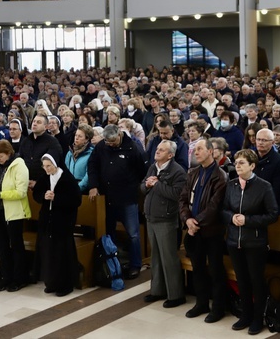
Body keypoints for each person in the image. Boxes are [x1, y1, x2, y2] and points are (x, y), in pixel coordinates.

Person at [222, 149, 278, 335]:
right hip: (233, 240)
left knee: (256, 280)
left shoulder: (264, 186)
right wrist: (232, 218)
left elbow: (272, 215)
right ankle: (245, 315)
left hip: (254, 242)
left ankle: (257, 318)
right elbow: (223, 210)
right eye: (236, 163)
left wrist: (248, 220)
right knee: (242, 280)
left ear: (252, 166)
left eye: (241, 163)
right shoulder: (231, 185)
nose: (237, 166)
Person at [87, 124, 146, 279]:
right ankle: (115, 262)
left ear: (119, 134)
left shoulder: (132, 148)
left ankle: (135, 265)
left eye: (112, 141)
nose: (110, 144)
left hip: (127, 198)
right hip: (107, 197)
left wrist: (131, 186)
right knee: (109, 231)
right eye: (107, 141)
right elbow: (92, 165)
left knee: (133, 233)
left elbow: (141, 171)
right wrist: (93, 185)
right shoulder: (101, 146)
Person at [179, 138, 228, 323]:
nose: (195, 152)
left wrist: (194, 222)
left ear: (210, 151)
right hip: (194, 229)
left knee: (215, 270)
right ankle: (201, 303)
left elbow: (214, 207)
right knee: (198, 268)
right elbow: (183, 199)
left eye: (199, 149)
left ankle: (218, 307)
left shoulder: (220, 176)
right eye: (194, 150)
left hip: (211, 231)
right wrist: (187, 219)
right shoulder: (193, 173)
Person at [142, 139, 187, 307]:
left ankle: (176, 295)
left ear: (170, 154)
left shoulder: (178, 171)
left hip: (166, 219)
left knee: (168, 258)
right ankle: (157, 290)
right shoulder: (153, 167)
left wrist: (156, 184)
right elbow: (142, 187)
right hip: (151, 217)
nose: (157, 151)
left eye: (161, 150)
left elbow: (177, 194)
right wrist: (147, 185)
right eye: (157, 149)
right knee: (155, 257)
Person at [0, 139, 31, 292]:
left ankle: (20, 278)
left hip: (14, 212)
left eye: (1, 156)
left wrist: (0, 195)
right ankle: (6, 277)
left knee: (16, 246)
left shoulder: (19, 165)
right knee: (2, 246)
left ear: (9, 153)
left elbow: (21, 192)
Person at [33, 154, 81, 297]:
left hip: (63, 222)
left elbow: (76, 200)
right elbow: (36, 194)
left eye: (49, 166)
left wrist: (56, 198)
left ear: (56, 165)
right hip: (47, 220)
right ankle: (51, 282)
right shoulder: (44, 178)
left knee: (62, 253)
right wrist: (43, 196)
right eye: (44, 166)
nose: (46, 169)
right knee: (47, 252)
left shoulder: (67, 179)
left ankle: (65, 285)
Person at [65, 124, 94, 193]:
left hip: (84, 189)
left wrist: (78, 188)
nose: (76, 138)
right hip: (70, 187)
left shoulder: (91, 153)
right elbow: (65, 170)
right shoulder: (70, 152)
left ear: (87, 139)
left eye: (80, 136)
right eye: (76, 135)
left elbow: (88, 174)